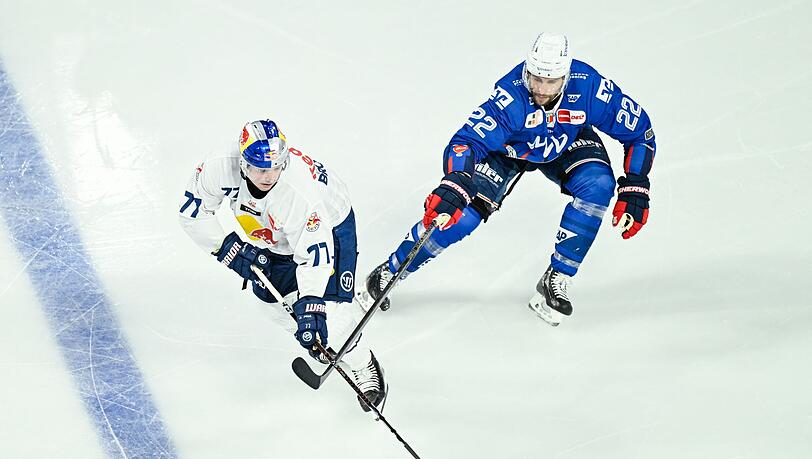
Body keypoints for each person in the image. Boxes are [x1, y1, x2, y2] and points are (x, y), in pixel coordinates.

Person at [357, 33, 657, 326]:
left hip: (565, 142)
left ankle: (558, 276)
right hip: (508, 150)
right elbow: (465, 142)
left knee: (599, 187)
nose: (540, 88)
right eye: (535, 78)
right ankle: (390, 271)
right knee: (460, 217)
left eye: (550, 81)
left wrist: (636, 184)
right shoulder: (510, 98)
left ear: (565, 78)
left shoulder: (590, 87)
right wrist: (456, 180)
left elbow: (640, 132)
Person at [178, 119, 386, 410]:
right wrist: (229, 250)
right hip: (273, 232)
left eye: (277, 166)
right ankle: (319, 339)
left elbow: (314, 253)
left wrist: (311, 304)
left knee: (330, 317)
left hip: (330, 225)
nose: (269, 176)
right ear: (243, 164)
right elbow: (192, 213)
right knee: (272, 305)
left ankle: (365, 364)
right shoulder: (218, 168)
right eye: (261, 169)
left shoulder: (296, 191)